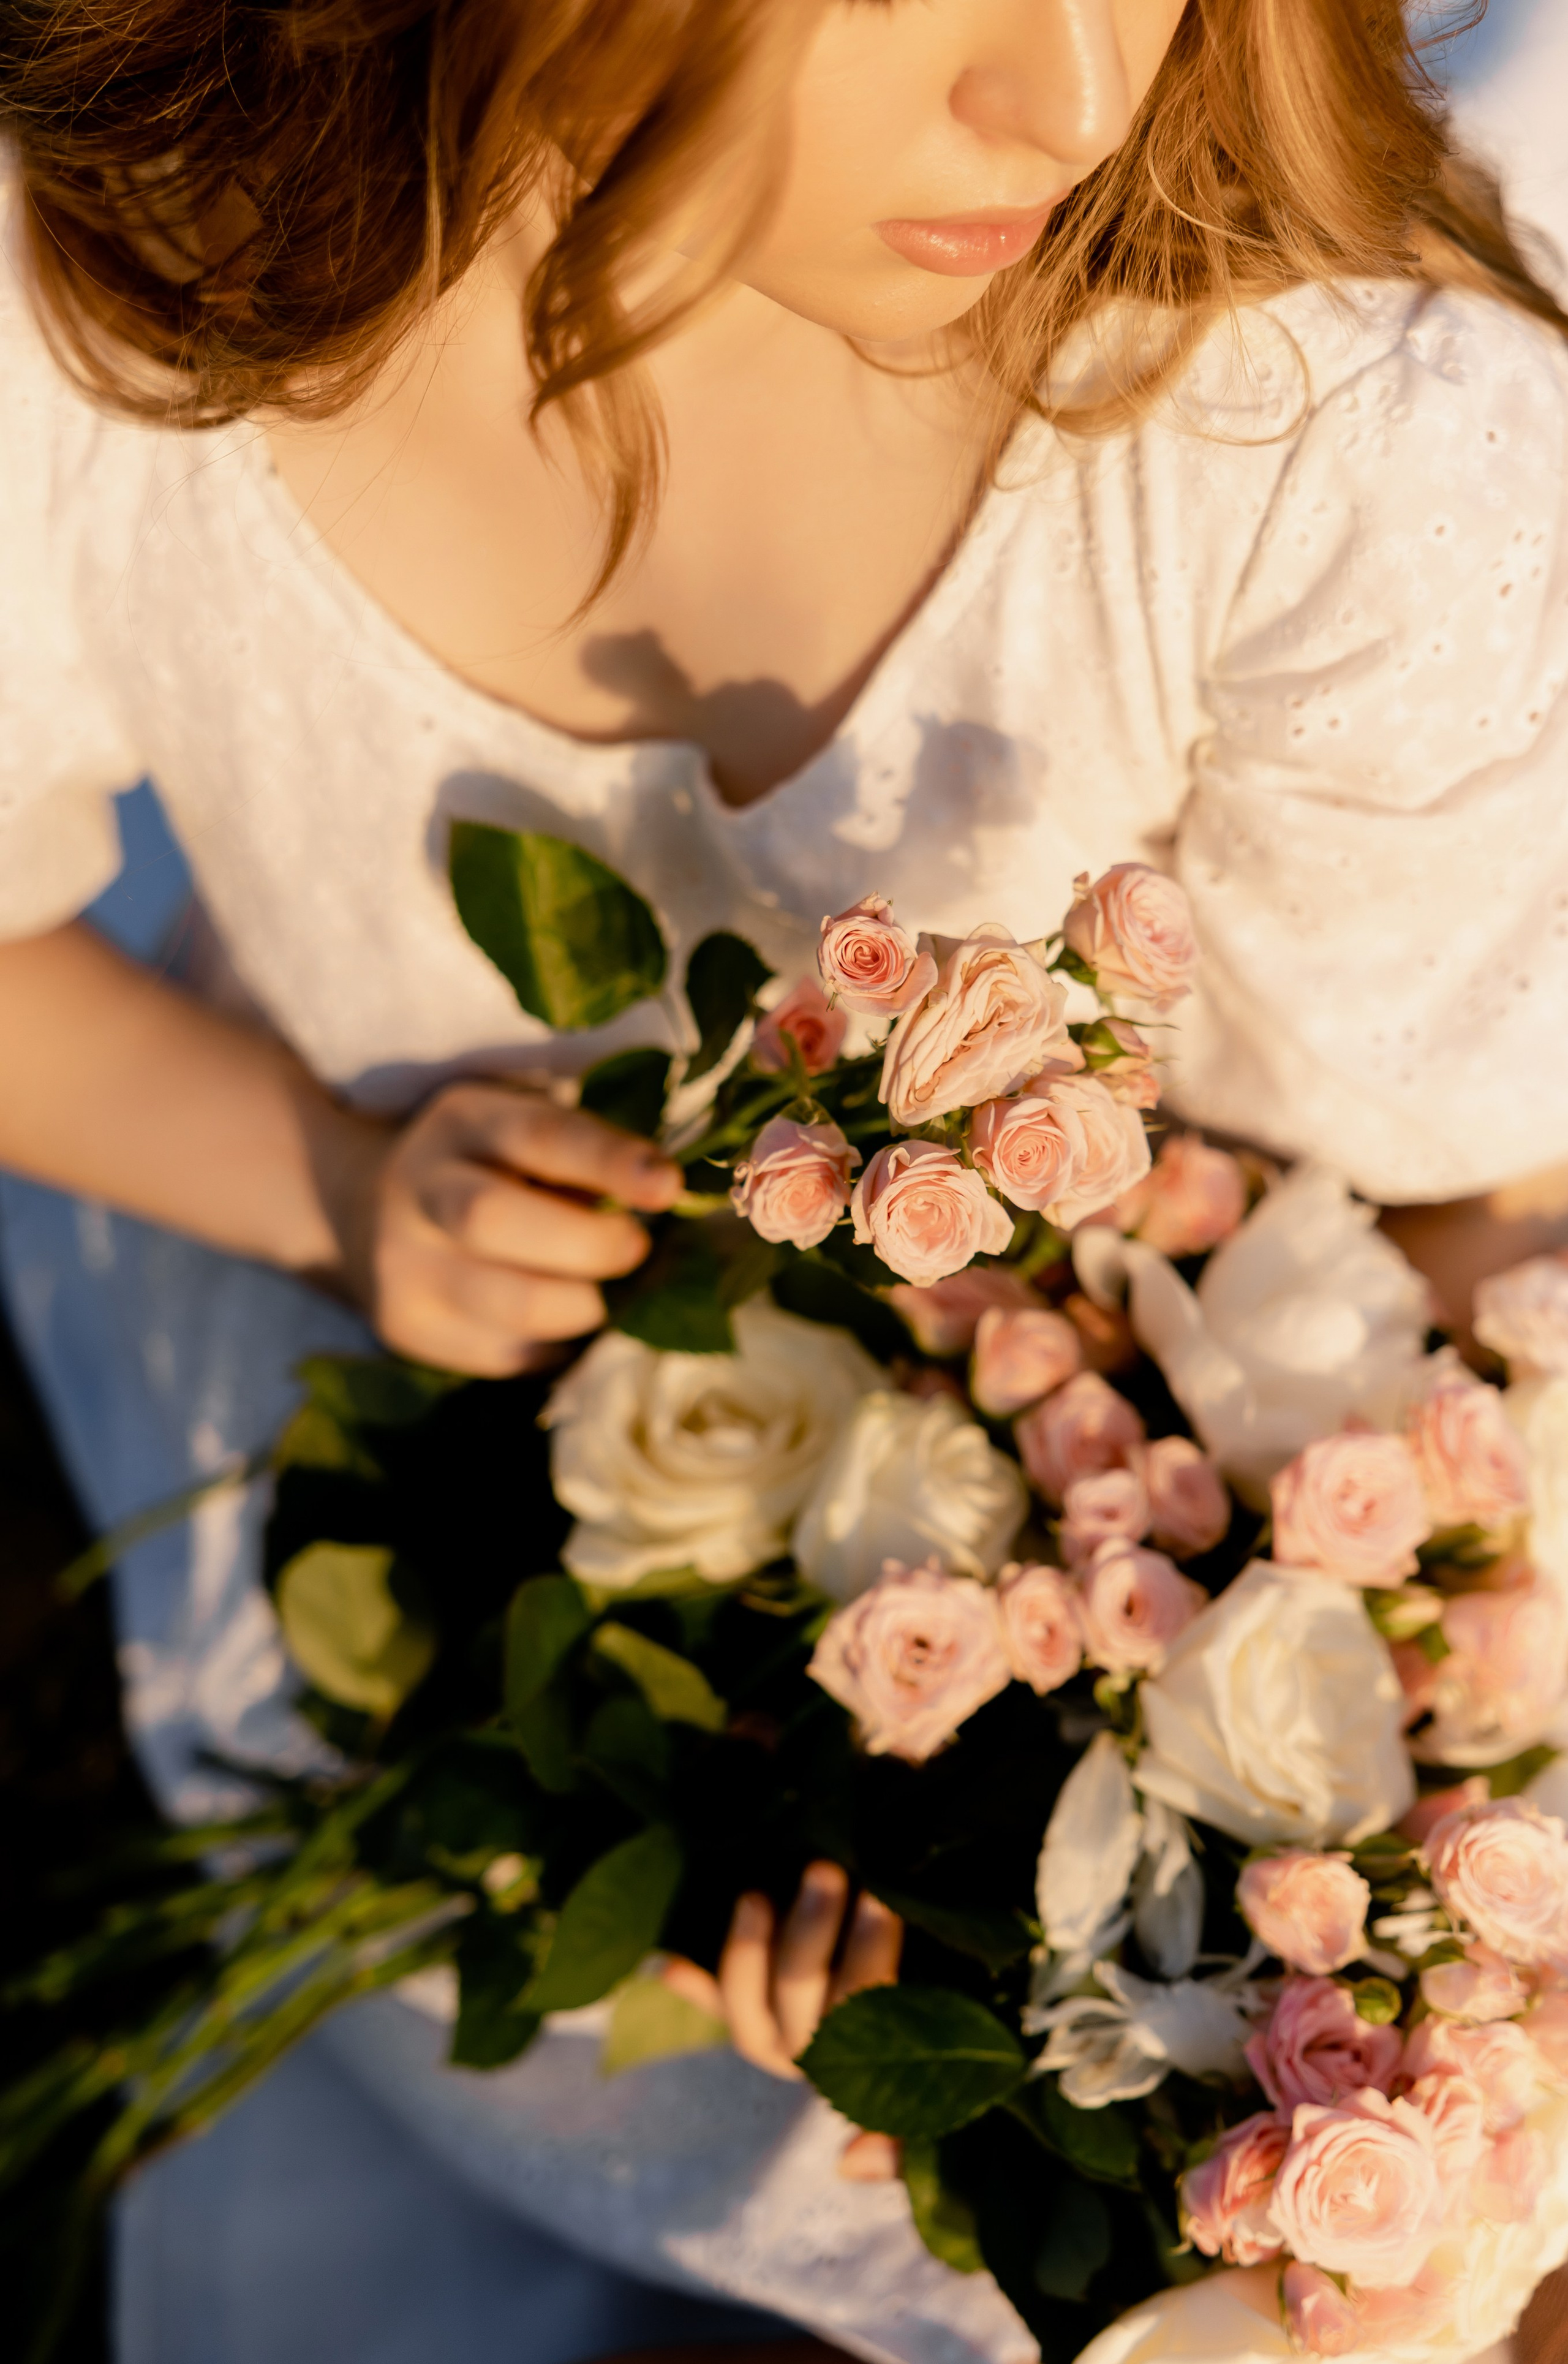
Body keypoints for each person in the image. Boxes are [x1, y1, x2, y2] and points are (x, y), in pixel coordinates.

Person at [2, 2, 1568, 2359]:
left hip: (1233, 1456)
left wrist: (1043, 1838)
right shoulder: (113, 308)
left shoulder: (1297, 410)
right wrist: (335, 1184)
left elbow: (1448, 1203)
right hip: (493, 1503)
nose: (1067, 96)